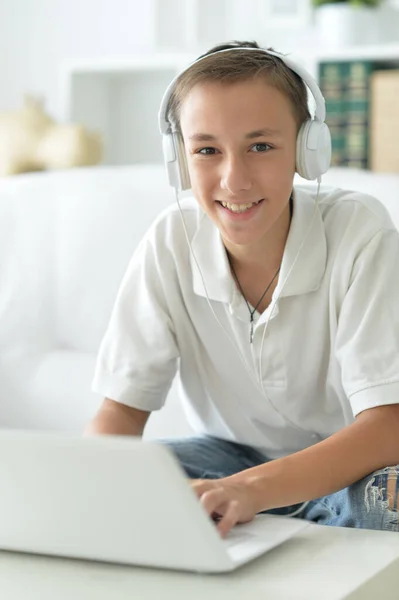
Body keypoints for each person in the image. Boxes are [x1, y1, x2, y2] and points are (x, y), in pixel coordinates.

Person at [85, 41, 399, 536]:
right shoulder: (171, 240)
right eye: (207, 150)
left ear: (305, 150)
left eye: (260, 146)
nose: (234, 180)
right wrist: (88, 489)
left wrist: (251, 491)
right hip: (229, 461)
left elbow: (388, 426)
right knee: (128, 477)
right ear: (180, 160)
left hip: (350, 466)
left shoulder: (360, 231)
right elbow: (120, 410)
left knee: (389, 499)